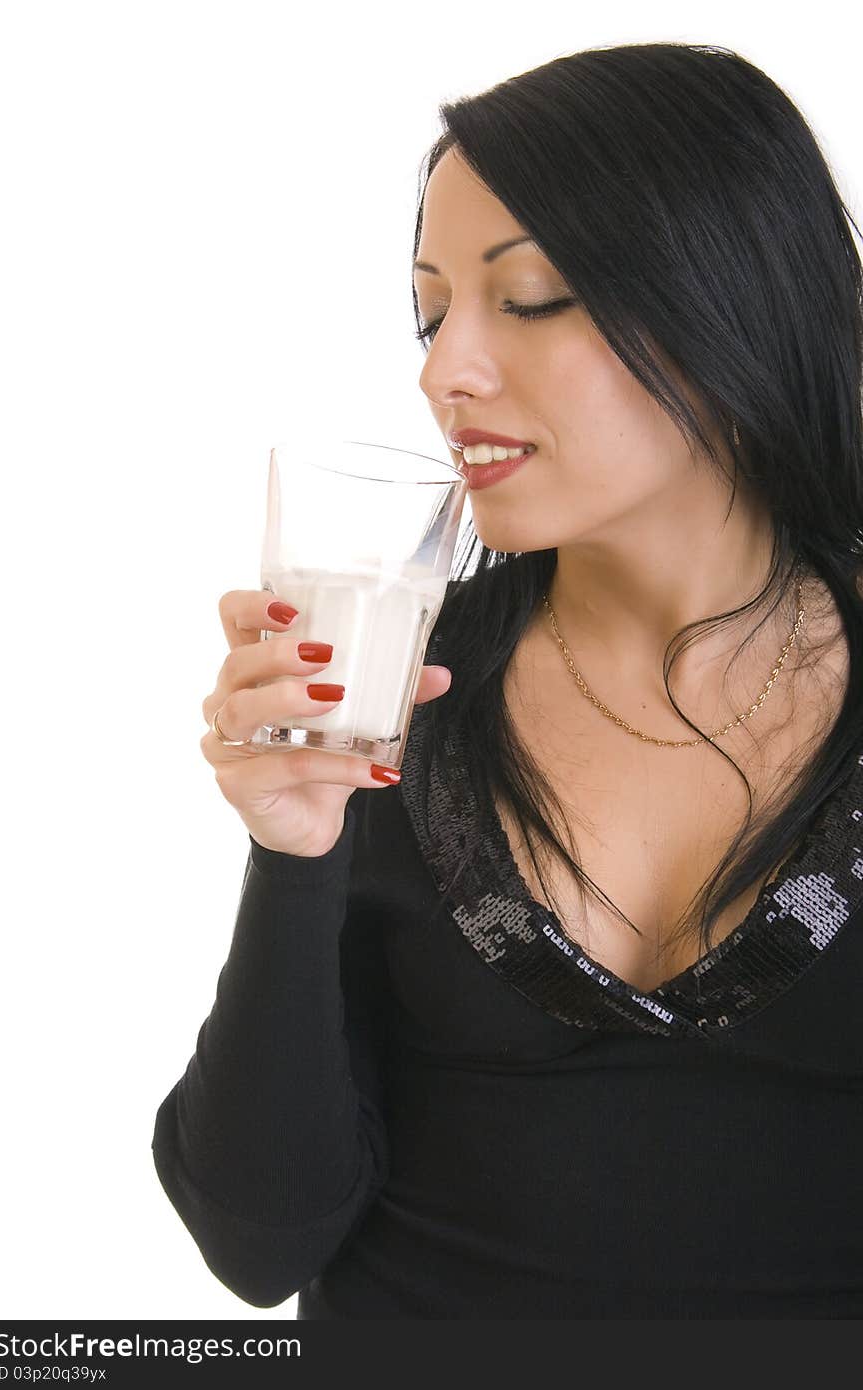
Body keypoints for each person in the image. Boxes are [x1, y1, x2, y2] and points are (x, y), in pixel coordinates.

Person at [152, 41, 863, 1317]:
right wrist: (292, 849)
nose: (442, 370)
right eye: (430, 314)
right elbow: (261, 1241)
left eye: (525, 297)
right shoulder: (391, 687)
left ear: (730, 293)